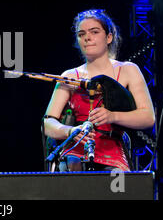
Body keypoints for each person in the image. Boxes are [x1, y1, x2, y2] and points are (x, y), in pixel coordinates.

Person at [43, 9, 155, 171]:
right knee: (70, 175)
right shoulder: (69, 76)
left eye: (94, 32)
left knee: (117, 185)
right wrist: (70, 131)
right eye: (81, 34)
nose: (87, 38)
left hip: (113, 152)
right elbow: (47, 123)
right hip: (75, 150)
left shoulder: (128, 70)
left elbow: (147, 117)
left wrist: (112, 116)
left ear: (109, 37)